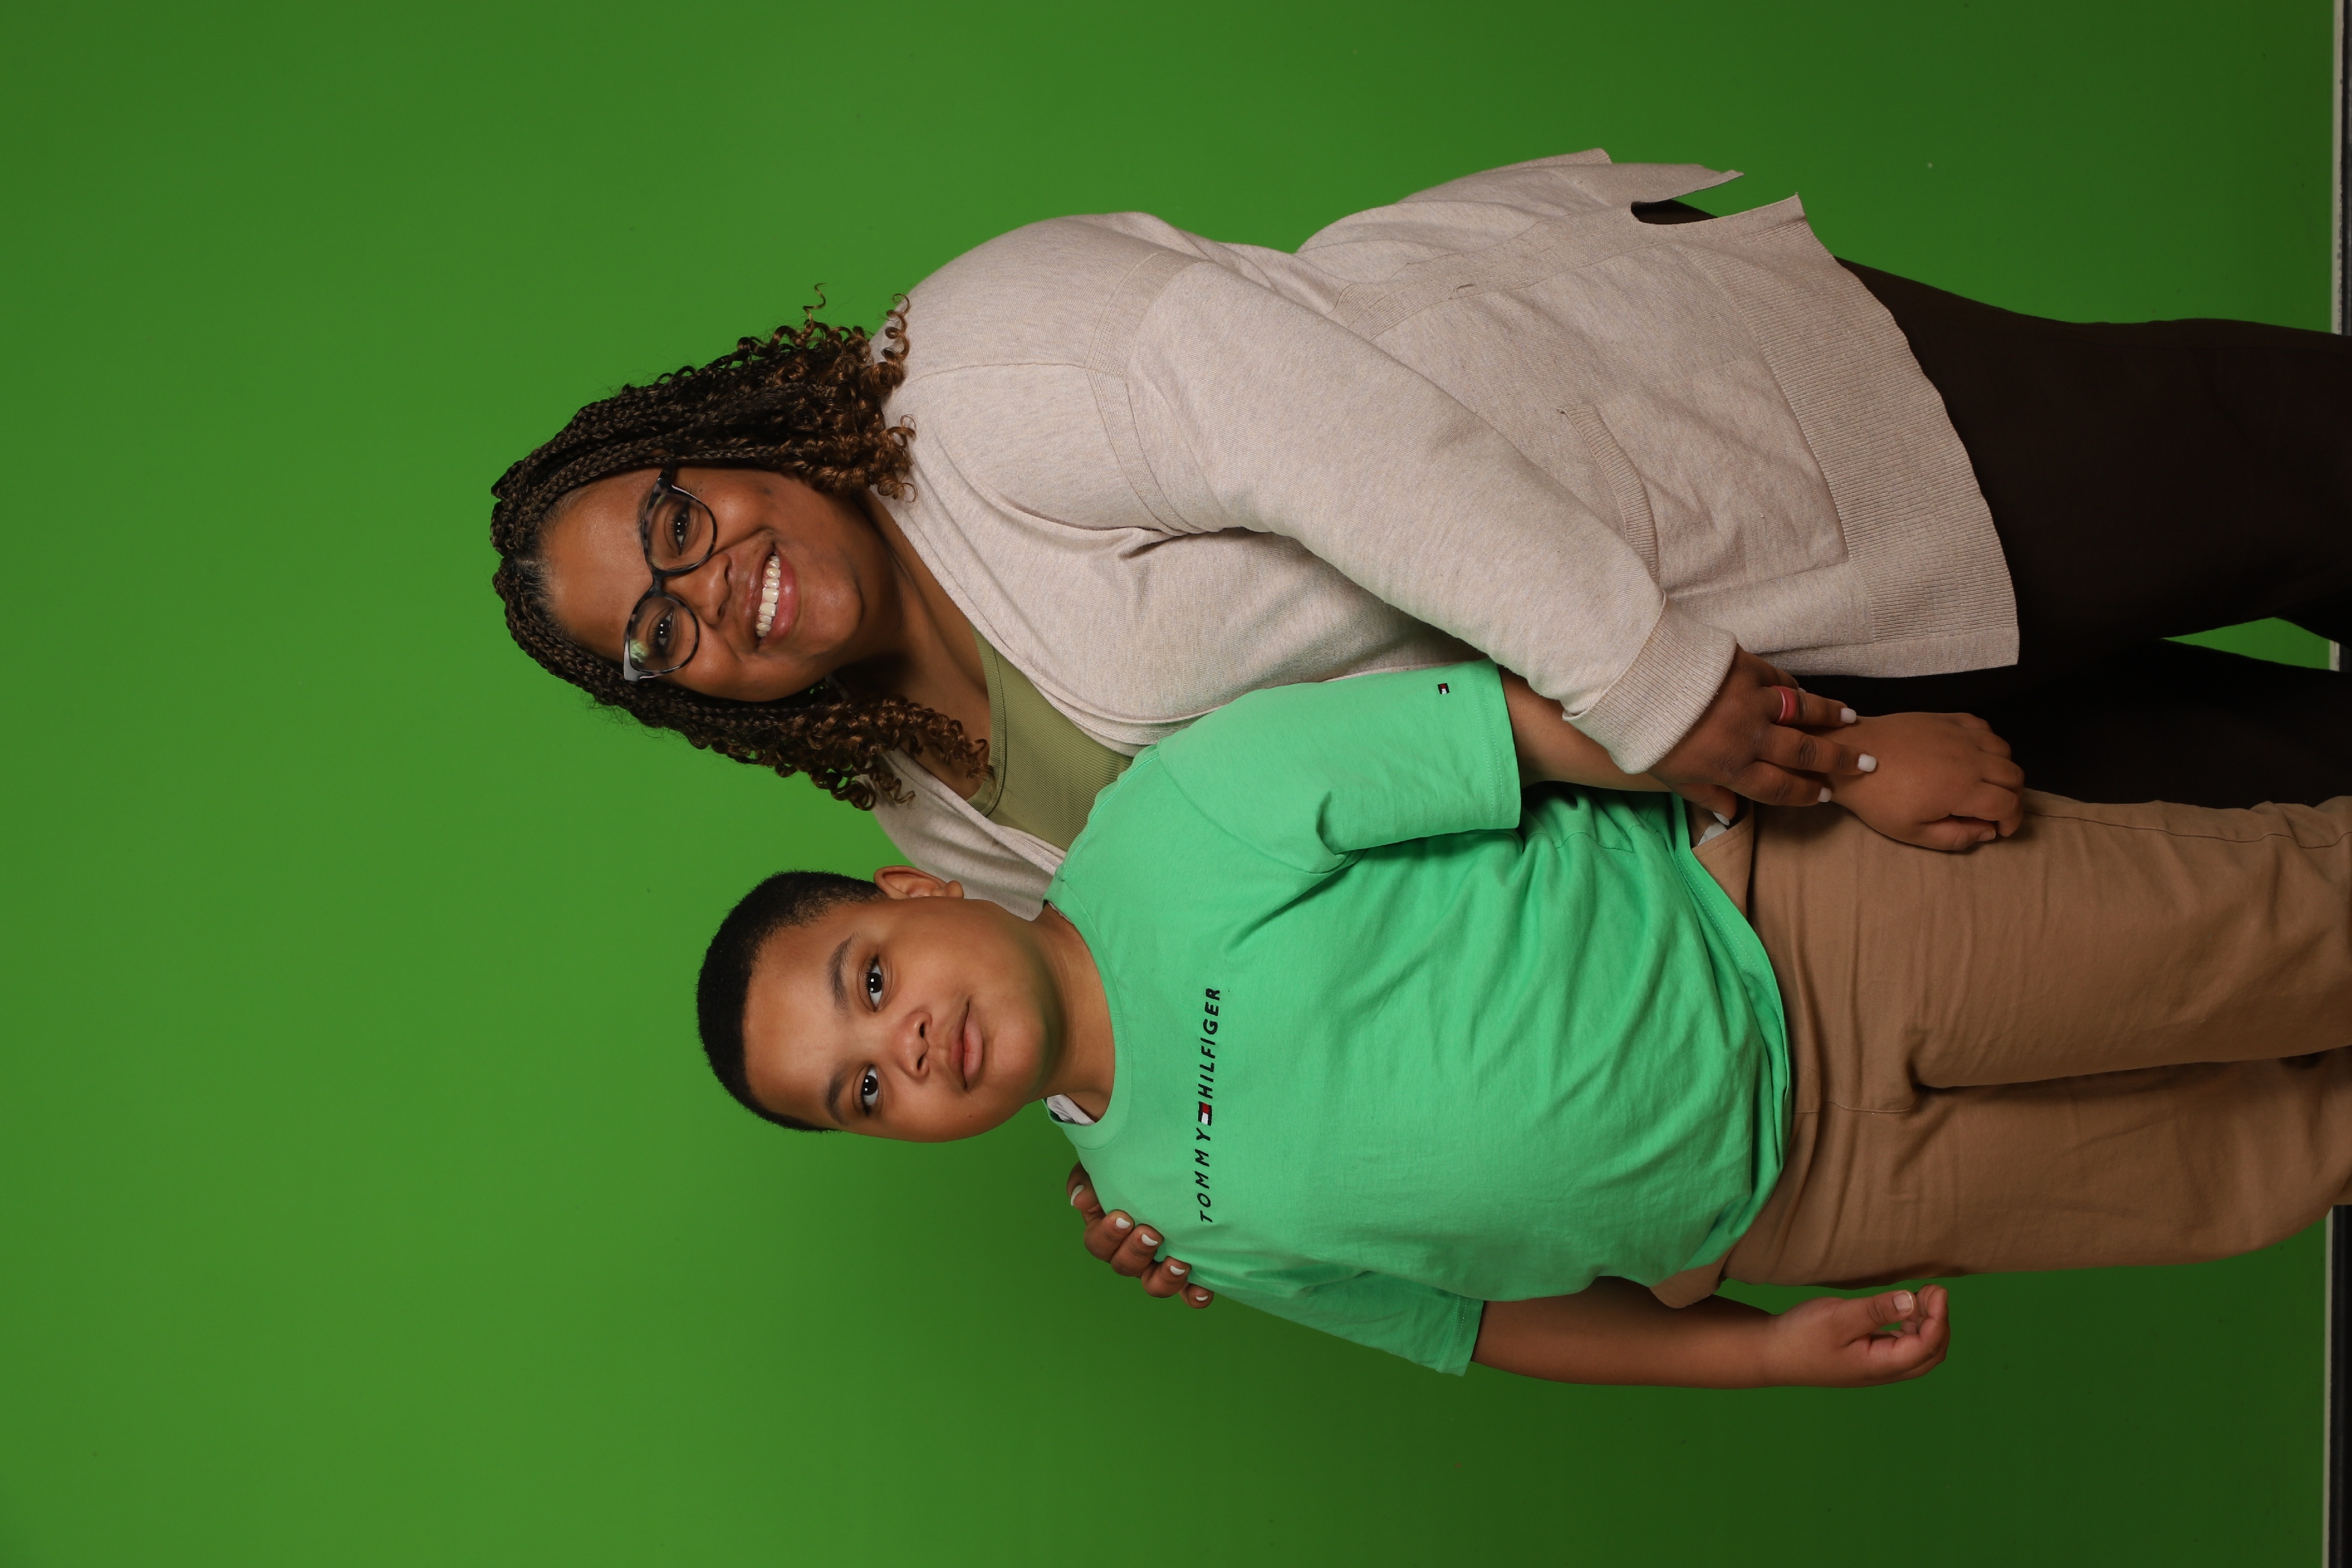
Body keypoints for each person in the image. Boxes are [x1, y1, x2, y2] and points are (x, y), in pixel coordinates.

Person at [492, 149, 2352, 930]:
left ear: (714, 446)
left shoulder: (973, 364)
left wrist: (1648, 683)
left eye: (673, 521)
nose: (706, 587)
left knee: (2260, 478)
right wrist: (1123, 1129)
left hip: (1701, 463)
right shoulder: (932, 811)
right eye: (656, 631)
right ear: (686, 696)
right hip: (1735, 790)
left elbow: (1342, 444)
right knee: (2229, 808)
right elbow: (1192, 935)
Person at [691, 665, 2352, 1384]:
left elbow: (1522, 734)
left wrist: (1844, 762)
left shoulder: (1179, 818)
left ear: (913, 890)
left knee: (2279, 929)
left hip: (1821, 933)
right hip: (1811, 1208)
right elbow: (1477, 1327)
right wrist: (1757, 1350)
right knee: (2245, 1173)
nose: (902, 1051)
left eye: (868, 985)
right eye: (859, 1094)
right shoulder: (1163, 1214)